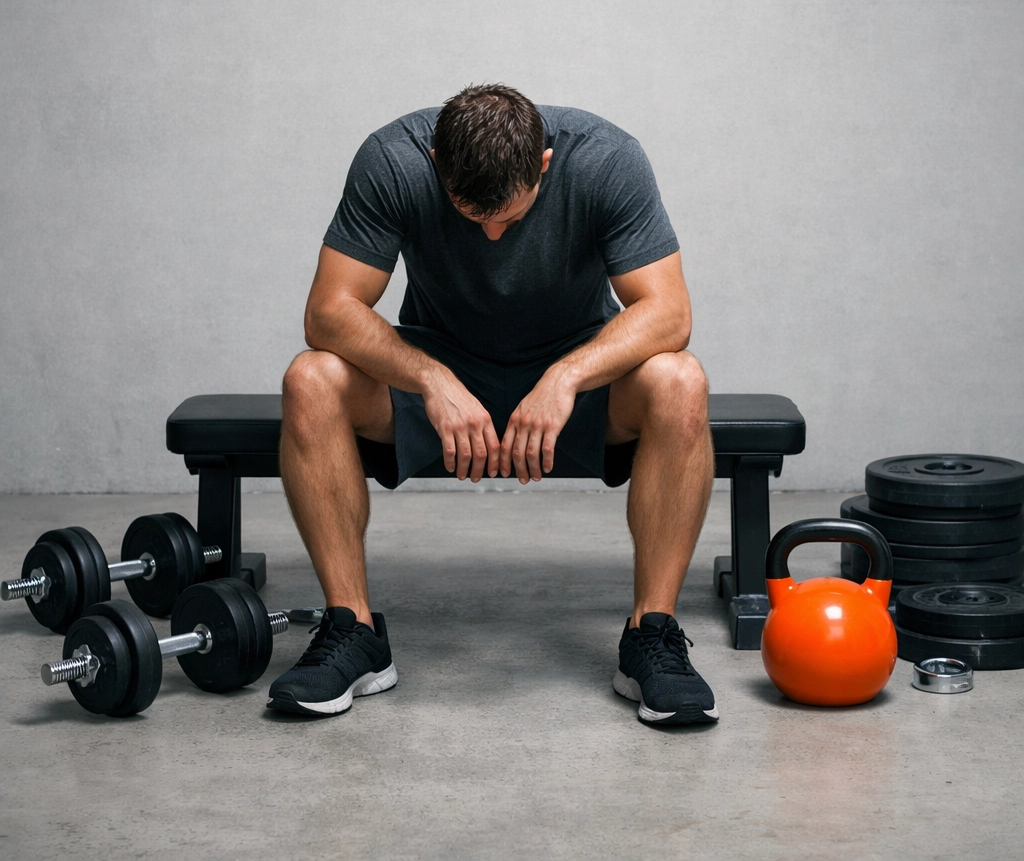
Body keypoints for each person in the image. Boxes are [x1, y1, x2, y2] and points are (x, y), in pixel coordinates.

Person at [267, 84, 718, 725]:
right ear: (434, 160)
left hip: (574, 376)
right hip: (440, 368)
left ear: (542, 163)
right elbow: (328, 312)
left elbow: (669, 312)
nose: (490, 231)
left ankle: (652, 634)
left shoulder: (606, 159)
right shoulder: (393, 159)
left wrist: (566, 378)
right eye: (469, 212)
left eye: (506, 217)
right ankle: (355, 632)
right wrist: (431, 378)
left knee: (680, 380)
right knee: (310, 378)